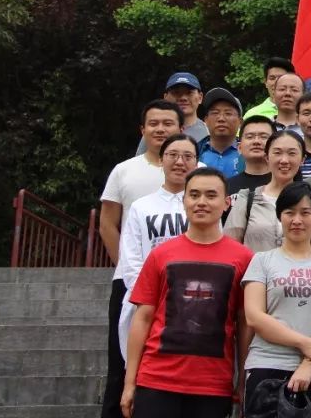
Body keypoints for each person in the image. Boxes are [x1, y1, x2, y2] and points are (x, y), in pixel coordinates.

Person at [120, 168, 254, 418]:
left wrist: (243, 380)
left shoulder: (244, 258)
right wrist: (130, 382)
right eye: (194, 195)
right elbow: (143, 318)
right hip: (156, 379)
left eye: (211, 195)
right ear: (184, 201)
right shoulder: (161, 254)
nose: (201, 202)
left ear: (227, 203)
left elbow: (244, 322)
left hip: (212, 384)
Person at [100, 99, 184, 418]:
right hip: (131, 283)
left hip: (185, 286)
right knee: (121, 365)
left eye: (168, 123)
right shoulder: (124, 170)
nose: (160, 129)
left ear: (181, 129)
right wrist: (129, 271)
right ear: (142, 129)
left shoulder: (198, 171)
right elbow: (108, 223)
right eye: (153, 123)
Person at [242, 182, 311, 413]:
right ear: (280, 216)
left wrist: (309, 363)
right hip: (266, 365)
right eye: (289, 212)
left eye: (305, 213)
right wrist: (304, 343)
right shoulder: (262, 261)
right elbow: (254, 316)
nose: (297, 220)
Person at [116, 134, 197, 365]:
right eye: (172, 155)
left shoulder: (203, 207)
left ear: (196, 163)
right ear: (161, 160)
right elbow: (131, 259)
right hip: (147, 304)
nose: (179, 162)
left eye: (187, 156)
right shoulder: (141, 207)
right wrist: (149, 298)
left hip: (195, 303)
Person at [224, 131, 309, 253]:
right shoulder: (247, 200)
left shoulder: (310, 201)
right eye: (277, 153)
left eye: (292, 153)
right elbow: (230, 248)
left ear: (303, 159)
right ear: (267, 157)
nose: (284, 160)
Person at [135, 72, 209, 155]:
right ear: (165, 97)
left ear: (200, 97)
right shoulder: (155, 132)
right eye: (176, 92)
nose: (183, 98)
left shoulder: (208, 133)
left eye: (189, 93)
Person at [196, 87, 242, 179]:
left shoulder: (248, 154)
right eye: (215, 113)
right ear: (205, 120)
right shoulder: (195, 152)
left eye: (228, 113)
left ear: (240, 121)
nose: (221, 119)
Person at [228, 115, 275, 197]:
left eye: (263, 137)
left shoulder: (286, 185)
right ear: (239, 148)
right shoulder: (226, 187)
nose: (256, 141)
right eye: (250, 137)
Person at [243, 57, 295, 121]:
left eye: (281, 77)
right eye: (272, 78)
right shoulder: (252, 115)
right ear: (266, 82)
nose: (276, 82)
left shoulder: (301, 112)